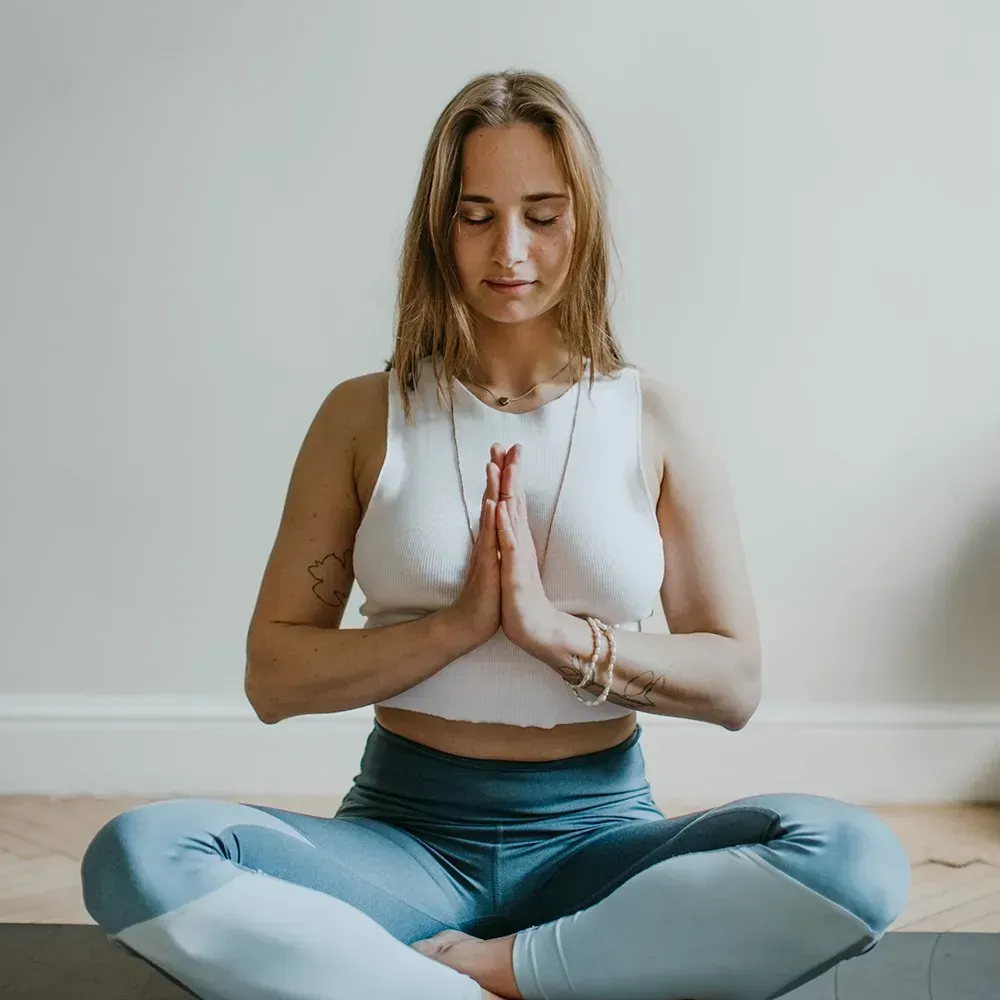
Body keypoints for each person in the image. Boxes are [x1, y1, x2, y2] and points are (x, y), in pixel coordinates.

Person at [80, 69, 911, 1000]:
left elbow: (735, 683)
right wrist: (453, 628)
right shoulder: (363, 416)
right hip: (401, 845)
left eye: (541, 214)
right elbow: (273, 677)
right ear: (439, 228)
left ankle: (486, 973)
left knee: (856, 859)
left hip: (602, 850)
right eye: (475, 215)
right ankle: (525, 983)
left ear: (582, 223)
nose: (508, 249)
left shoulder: (658, 418)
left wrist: (550, 634)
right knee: (140, 853)